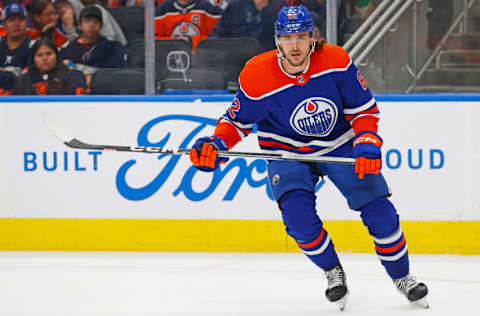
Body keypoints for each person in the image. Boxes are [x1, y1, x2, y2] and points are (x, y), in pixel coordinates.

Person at [188, 5, 429, 311]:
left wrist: (367, 143)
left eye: (302, 36)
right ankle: (332, 271)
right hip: (286, 151)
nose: (295, 45)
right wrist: (215, 146)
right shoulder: (256, 73)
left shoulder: (336, 61)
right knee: (298, 220)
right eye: (288, 38)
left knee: (380, 211)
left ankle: (403, 277)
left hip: (339, 145)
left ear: (313, 38)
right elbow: (236, 122)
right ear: (277, 40)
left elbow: (364, 111)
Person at [13, 37, 86, 95]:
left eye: (49, 54)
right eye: (40, 55)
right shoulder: (23, 80)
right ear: (33, 59)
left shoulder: (71, 77)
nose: (45, 58)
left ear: (56, 56)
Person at [60, 5, 126, 68]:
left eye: (96, 22)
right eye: (87, 21)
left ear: (101, 26)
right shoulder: (68, 49)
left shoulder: (112, 47)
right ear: (79, 25)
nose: (92, 25)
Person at [209, 0, 287, 52]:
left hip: (267, 61)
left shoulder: (281, 7)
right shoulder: (235, 6)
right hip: (234, 60)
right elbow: (217, 33)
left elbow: (286, 39)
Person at [154, 0, 221, 50]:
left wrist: (192, 41)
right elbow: (153, 41)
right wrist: (173, 42)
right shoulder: (163, 9)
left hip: (202, 61)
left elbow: (218, 39)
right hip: (170, 60)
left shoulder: (209, 9)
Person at [0, 2, 34, 95]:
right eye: (11, 20)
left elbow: (25, 80)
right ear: (4, 25)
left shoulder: (34, 46)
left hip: (20, 97)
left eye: (20, 19)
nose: (16, 24)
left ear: (27, 23)